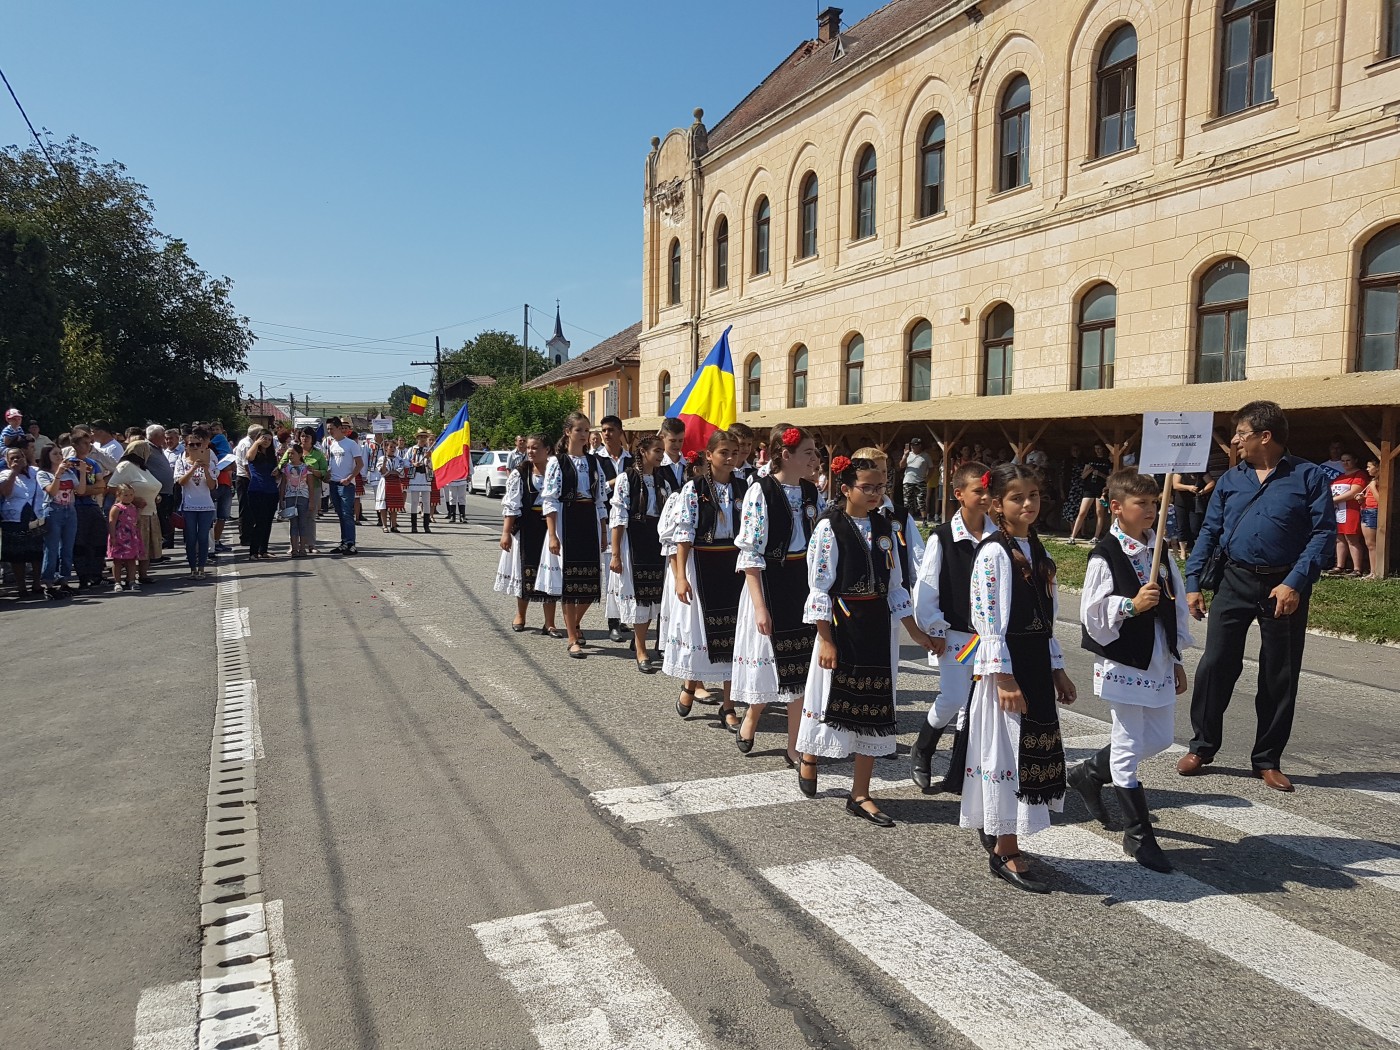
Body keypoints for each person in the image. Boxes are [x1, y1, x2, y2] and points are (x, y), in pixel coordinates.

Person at [1180, 400, 1334, 792]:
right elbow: (1210, 531)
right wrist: (1193, 582)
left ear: (1265, 436)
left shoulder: (1309, 476)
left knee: (1279, 673)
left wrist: (1295, 582)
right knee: (1216, 664)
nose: (1235, 441)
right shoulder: (1231, 479)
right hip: (1235, 580)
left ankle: (1267, 759)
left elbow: (1323, 534)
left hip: (1284, 586)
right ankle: (1202, 746)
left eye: (1241, 434)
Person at [796, 455, 938, 827]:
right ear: (846, 489)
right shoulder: (830, 527)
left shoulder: (885, 526)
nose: (875, 493)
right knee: (827, 697)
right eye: (867, 487)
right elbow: (819, 588)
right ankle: (810, 755)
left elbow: (896, 586)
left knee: (874, 708)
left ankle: (860, 793)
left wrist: (915, 631)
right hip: (841, 625)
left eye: (880, 486)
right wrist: (825, 640)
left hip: (876, 626)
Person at [957, 463, 1077, 893]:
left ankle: (1006, 835)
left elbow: (1046, 616)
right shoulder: (994, 553)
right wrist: (1004, 677)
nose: (1028, 503)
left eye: (1034, 495)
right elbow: (987, 618)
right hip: (1008, 667)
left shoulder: (1036, 547)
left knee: (1029, 756)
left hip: (1035, 664)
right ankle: (1005, 848)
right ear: (996, 504)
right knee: (1008, 756)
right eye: (1017, 497)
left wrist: (1057, 669)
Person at [1071, 470, 1194, 873]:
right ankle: (1138, 834)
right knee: (1127, 744)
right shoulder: (1105, 554)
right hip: (1123, 659)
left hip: (1157, 656)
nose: (1150, 510)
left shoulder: (1159, 549)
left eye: (1154, 503)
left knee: (1159, 738)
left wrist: (1176, 658)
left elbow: (1175, 605)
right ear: (1117, 507)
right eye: (1141, 503)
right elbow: (1092, 614)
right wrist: (1130, 605)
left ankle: (1091, 772)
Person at [732, 425, 822, 762]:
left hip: (802, 583)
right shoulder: (762, 491)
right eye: (808, 452)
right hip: (770, 583)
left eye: (815, 452)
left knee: (801, 666)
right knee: (769, 663)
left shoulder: (811, 492)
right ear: (786, 455)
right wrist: (759, 607)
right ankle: (752, 715)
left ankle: (794, 745)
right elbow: (750, 553)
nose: (815, 458)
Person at [910, 460, 993, 792]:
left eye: (989, 491)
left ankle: (960, 769)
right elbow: (927, 587)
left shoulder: (998, 536)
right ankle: (924, 747)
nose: (986, 497)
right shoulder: (943, 537)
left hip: (988, 635)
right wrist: (935, 628)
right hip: (957, 633)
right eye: (978, 491)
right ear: (959, 494)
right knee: (954, 696)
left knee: (977, 702)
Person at [664, 429, 747, 726]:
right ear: (709, 455)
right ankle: (690, 685)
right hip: (702, 563)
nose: (730, 458)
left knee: (734, 634)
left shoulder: (744, 487)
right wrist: (681, 576)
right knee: (700, 631)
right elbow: (684, 534)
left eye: (734, 453)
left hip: (734, 566)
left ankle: (728, 705)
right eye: (724, 452)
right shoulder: (694, 488)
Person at [540, 412, 608, 658]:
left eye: (587, 430)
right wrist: (552, 535)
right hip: (567, 520)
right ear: (568, 432)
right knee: (570, 582)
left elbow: (600, 500)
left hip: (588, 520)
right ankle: (571, 637)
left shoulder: (594, 462)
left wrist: (603, 531)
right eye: (579, 430)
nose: (584, 435)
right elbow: (549, 500)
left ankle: (574, 622)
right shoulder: (557, 462)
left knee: (590, 583)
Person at [609, 435, 666, 672]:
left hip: (656, 540)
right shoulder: (627, 478)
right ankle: (641, 648)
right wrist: (615, 554)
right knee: (639, 595)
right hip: (634, 539)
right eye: (657, 450)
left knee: (654, 595)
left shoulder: (662, 479)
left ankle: (639, 639)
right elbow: (618, 516)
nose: (661, 455)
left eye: (662, 451)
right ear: (643, 451)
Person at [496, 434, 564, 637]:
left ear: (547, 450)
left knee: (550, 571)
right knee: (524, 569)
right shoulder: (521, 473)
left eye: (535, 448)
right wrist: (506, 533)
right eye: (528, 448)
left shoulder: (556, 471)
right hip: (527, 527)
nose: (530, 452)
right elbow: (511, 505)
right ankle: (521, 615)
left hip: (551, 526)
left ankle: (549, 622)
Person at [594, 415, 634, 643]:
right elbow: (596, 490)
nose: (607, 434)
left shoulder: (631, 459)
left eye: (611, 430)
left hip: (629, 522)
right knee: (612, 572)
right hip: (608, 521)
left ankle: (623, 615)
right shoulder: (596, 459)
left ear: (620, 432)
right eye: (604, 430)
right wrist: (616, 482)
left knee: (626, 571)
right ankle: (613, 622)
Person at [110, 441, 162, 583]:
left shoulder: (143, 468)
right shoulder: (125, 466)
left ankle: (143, 574)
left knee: (147, 546)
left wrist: (155, 495)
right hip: (133, 514)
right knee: (134, 546)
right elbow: (112, 487)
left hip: (151, 512)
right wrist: (131, 500)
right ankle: (129, 577)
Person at [66, 427, 110, 588]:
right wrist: (85, 490)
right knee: (80, 542)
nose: (88, 446)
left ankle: (96, 574)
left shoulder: (92, 463)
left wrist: (86, 490)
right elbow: (76, 490)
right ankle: (83, 576)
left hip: (92, 505)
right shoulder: (69, 464)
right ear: (74, 445)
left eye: (89, 442)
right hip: (76, 507)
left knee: (98, 538)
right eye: (84, 443)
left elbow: (101, 485)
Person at [37, 444, 82, 598]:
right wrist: (57, 474)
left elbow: (80, 491)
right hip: (53, 510)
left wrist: (82, 472)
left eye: (60, 454)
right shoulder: (43, 474)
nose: (59, 457)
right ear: (47, 456)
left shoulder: (69, 472)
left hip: (70, 510)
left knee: (67, 548)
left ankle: (64, 581)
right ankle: (48, 583)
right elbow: (52, 491)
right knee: (51, 548)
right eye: (55, 454)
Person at [0, 445, 45, 598]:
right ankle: (21, 587)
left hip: (36, 515)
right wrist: (14, 472)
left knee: (37, 551)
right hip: (14, 518)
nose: (17, 460)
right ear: (7, 462)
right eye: (12, 458)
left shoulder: (36, 472)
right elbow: (5, 492)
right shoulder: (4, 474)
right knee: (17, 554)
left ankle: (37, 583)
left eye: (19, 457)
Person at [175, 426, 220, 579]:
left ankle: (201, 568)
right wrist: (193, 468)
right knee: (191, 538)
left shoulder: (210, 462)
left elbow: (212, 486)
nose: (195, 447)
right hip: (189, 505)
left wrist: (206, 469)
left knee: (202, 537)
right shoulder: (181, 461)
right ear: (186, 446)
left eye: (198, 444)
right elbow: (181, 482)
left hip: (206, 505)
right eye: (191, 444)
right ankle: (192, 568)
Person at [283, 428, 327, 553]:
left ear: (312, 439)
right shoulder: (293, 450)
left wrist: (314, 471)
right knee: (293, 518)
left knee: (310, 517)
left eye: (308, 436)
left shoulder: (318, 454)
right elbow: (283, 464)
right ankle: (294, 546)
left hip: (313, 488)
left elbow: (324, 471)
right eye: (302, 436)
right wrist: (279, 468)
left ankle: (311, 545)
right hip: (293, 491)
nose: (305, 438)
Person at [324, 417, 363, 554]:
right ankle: (344, 542)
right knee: (340, 514)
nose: (330, 431)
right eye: (328, 429)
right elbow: (331, 464)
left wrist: (349, 478)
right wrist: (327, 474)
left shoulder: (351, 444)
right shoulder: (332, 444)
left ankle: (351, 544)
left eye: (332, 429)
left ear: (340, 428)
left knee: (347, 514)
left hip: (346, 484)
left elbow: (360, 464)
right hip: (334, 483)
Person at [1326, 453, 1369, 577]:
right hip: (1338, 511)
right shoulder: (1340, 476)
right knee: (1339, 538)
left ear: (1355, 460)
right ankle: (1339, 565)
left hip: (1350, 510)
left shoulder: (1359, 474)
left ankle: (1357, 568)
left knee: (1352, 539)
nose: (1345, 463)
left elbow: (1354, 492)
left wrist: (1333, 500)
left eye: (1348, 460)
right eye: (1343, 461)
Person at [243, 430, 281, 560]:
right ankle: (253, 552)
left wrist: (277, 472)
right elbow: (249, 457)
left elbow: (277, 474)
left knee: (268, 522)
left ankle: (263, 550)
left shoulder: (272, 455)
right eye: (264, 438)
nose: (266, 441)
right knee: (259, 522)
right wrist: (256, 443)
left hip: (271, 491)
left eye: (269, 439)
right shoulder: (254, 452)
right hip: (257, 490)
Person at [1067, 443, 1111, 544]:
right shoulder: (1090, 460)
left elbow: (1110, 477)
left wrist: (1099, 474)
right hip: (1089, 488)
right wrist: (1089, 471)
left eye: (1099, 448)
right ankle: (1073, 536)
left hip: (1100, 489)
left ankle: (1096, 536)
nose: (1097, 451)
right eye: (1096, 449)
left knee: (1099, 512)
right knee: (1082, 512)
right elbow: (1082, 476)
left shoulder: (1107, 461)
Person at [106, 483, 145, 591]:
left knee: (131, 560)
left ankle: (131, 580)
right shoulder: (116, 508)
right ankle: (117, 582)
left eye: (131, 495)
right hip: (119, 536)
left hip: (131, 537)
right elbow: (112, 522)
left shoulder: (133, 507)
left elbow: (136, 520)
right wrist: (113, 537)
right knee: (117, 560)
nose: (129, 497)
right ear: (118, 495)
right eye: (126, 495)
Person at [1169, 471, 1214, 560]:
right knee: (1182, 526)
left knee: (1195, 527)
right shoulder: (1180, 470)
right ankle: (1183, 551)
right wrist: (1189, 488)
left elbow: (1211, 483)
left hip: (1195, 503)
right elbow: (1176, 485)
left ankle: (1197, 551)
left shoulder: (1201, 470)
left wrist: (1202, 492)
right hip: (1181, 503)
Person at [279, 443, 314, 556]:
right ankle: (294, 548)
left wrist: (311, 501)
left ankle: (302, 548)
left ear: (300, 454)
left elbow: (311, 485)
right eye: (289, 453)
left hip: (303, 497)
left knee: (303, 523)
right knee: (293, 523)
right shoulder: (286, 468)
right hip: (290, 497)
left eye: (292, 453)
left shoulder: (306, 468)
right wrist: (281, 499)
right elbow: (283, 484)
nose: (290, 455)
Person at [405, 429, 435, 534]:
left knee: (426, 502)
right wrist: (413, 464)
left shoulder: (429, 450)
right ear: (417, 438)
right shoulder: (412, 449)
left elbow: (433, 465)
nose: (422, 439)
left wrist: (429, 459)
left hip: (426, 477)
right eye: (420, 437)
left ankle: (426, 526)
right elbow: (405, 461)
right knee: (414, 502)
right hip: (415, 477)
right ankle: (414, 526)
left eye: (424, 437)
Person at [375, 438, 407, 533]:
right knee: (384, 505)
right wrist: (385, 464)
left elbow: (400, 471)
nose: (392, 449)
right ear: (386, 448)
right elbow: (383, 472)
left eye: (394, 447)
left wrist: (391, 472)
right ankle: (384, 525)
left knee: (394, 505)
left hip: (395, 483)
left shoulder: (399, 459)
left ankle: (393, 525)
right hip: (385, 483)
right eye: (390, 447)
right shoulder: (381, 459)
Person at [899, 437, 932, 523]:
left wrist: (928, 478)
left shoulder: (926, 456)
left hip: (920, 481)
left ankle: (924, 520)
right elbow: (901, 465)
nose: (913, 447)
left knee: (921, 501)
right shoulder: (908, 454)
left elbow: (932, 468)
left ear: (920, 446)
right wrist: (905, 456)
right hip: (908, 481)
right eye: (912, 445)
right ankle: (908, 520)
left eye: (915, 445)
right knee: (907, 502)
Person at [1361, 456, 1381, 579]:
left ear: (1377, 468)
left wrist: (1372, 487)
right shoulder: (1372, 480)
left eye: (1369, 467)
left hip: (1373, 511)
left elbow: (1380, 500)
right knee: (1369, 543)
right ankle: (1372, 571)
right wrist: (1361, 499)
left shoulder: (1378, 482)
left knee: (1372, 543)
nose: (1367, 469)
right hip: (1366, 510)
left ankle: (1375, 572)